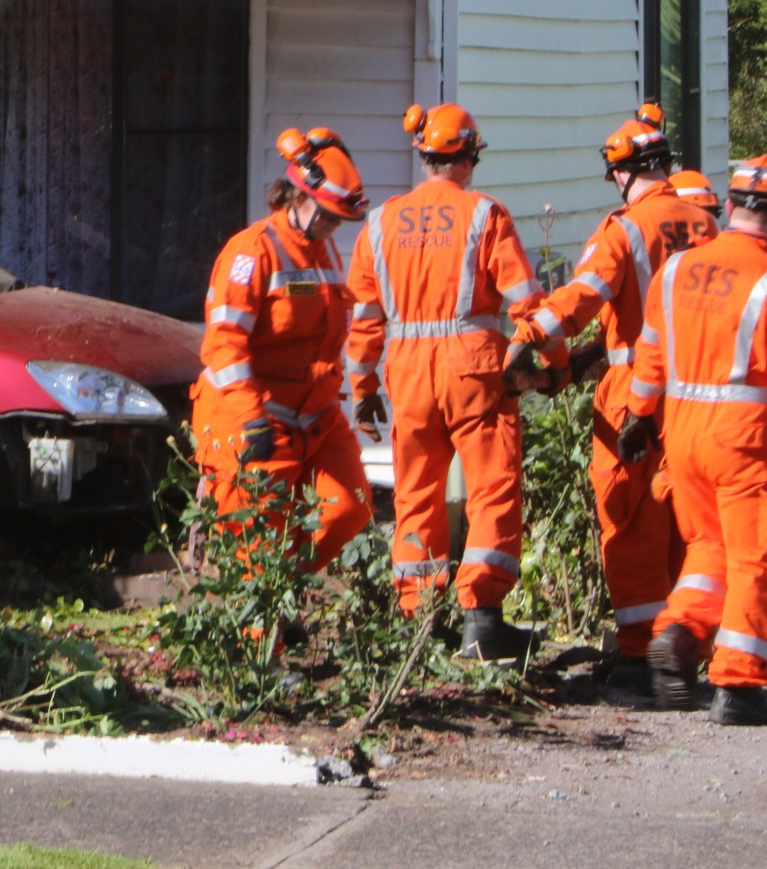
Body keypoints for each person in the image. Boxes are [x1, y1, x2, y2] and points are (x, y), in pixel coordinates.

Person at [622, 156, 767, 725]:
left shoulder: (677, 270)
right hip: (743, 442)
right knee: (760, 559)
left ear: (728, 208)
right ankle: (740, 686)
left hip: (683, 437)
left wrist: (637, 417)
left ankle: (678, 630)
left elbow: (650, 354)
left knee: (709, 551)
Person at [345, 104, 565, 661]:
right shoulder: (484, 215)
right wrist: (554, 362)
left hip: (408, 370)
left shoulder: (380, 222)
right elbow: (526, 302)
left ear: (424, 158)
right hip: (474, 368)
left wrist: (364, 387)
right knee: (491, 485)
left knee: (416, 489)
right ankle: (482, 622)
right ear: (467, 157)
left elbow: (366, 317)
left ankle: (419, 624)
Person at [505, 105, 715, 676]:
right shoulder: (704, 224)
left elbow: (582, 298)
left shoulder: (625, 228)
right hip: (697, 391)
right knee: (684, 519)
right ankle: (684, 645)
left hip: (632, 391)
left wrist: (530, 336)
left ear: (623, 172)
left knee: (629, 517)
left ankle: (639, 654)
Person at [192, 127, 373, 571]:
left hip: (313, 418)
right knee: (255, 545)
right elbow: (224, 343)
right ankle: (259, 625)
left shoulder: (323, 249)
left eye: (339, 220)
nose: (334, 227)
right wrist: (250, 418)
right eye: (328, 216)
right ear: (298, 196)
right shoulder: (252, 252)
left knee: (351, 506)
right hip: (251, 419)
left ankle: (281, 589)